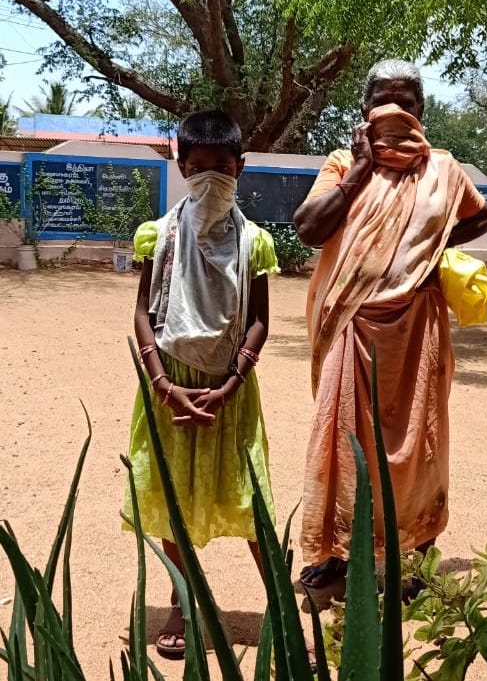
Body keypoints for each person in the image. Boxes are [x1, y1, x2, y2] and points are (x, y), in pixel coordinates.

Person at [293, 59, 487, 589]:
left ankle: (417, 554)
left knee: (419, 444)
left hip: (418, 331)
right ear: (364, 110)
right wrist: (360, 169)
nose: (394, 110)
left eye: (406, 102)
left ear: (421, 111)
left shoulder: (444, 170)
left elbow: (481, 216)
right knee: (341, 440)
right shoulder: (341, 164)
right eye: (382, 99)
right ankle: (335, 551)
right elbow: (309, 228)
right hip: (353, 326)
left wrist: (428, 250)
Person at [122, 109, 279, 656]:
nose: (210, 177)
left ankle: (280, 609)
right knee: (175, 498)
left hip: (230, 390)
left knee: (253, 499)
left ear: (240, 167)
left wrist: (231, 382)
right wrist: (163, 384)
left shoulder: (254, 242)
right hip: (171, 382)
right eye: (198, 167)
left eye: (221, 167)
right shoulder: (158, 235)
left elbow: (258, 320)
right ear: (181, 167)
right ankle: (181, 603)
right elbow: (143, 312)